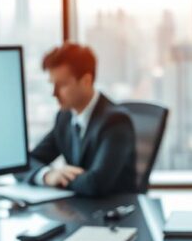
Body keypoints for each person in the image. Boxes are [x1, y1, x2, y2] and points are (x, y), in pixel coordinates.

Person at [16, 43, 137, 197]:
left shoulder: (117, 121)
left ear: (86, 80)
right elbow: (25, 164)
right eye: (52, 84)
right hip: (78, 210)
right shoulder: (64, 117)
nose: (54, 93)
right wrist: (47, 175)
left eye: (62, 85)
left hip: (115, 214)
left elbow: (95, 184)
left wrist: (59, 178)